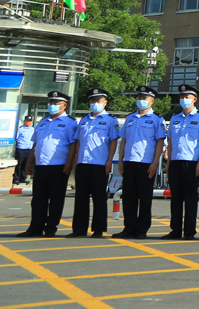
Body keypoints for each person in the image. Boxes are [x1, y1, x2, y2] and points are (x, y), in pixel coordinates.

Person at [16, 92, 77, 237]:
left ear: (64, 105)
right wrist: (30, 163)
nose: (52, 106)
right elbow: (36, 144)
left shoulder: (70, 123)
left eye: (56, 103)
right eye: (51, 103)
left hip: (58, 165)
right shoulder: (43, 122)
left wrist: (69, 163)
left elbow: (73, 144)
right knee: (38, 199)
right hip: (41, 165)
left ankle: (50, 228)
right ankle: (35, 227)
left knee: (56, 199)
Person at [113, 85, 166, 239]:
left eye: (144, 98)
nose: (141, 101)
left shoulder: (156, 119)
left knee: (144, 197)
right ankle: (129, 228)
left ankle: (142, 229)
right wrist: (121, 161)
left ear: (152, 101)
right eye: (139, 98)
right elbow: (124, 140)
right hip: (129, 162)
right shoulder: (130, 118)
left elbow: (160, 142)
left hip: (146, 163)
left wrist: (155, 162)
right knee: (129, 197)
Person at [71, 88, 120, 237]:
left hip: (100, 163)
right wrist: (76, 160)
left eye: (98, 101)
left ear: (105, 102)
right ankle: (79, 229)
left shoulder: (110, 120)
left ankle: (98, 229)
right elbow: (79, 141)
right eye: (92, 101)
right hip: (83, 163)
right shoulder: (84, 120)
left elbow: (113, 141)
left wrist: (110, 160)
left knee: (99, 197)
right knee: (80, 198)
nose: (95, 104)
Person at [164, 85, 199, 239]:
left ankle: (189, 231)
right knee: (175, 197)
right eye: (182, 97)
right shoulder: (175, 118)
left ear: (194, 99)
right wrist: (168, 162)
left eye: (187, 97)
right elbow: (170, 141)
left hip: (191, 161)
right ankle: (175, 230)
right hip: (175, 161)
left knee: (190, 197)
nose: (184, 100)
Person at [13, 116, 34, 186]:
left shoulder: (32, 129)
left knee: (26, 164)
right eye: (27, 121)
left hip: (29, 148)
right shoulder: (20, 129)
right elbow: (16, 138)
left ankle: (23, 178)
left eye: (30, 121)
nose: (28, 123)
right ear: (24, 121)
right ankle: (16, 178)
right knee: (19, 164)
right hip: (21, 148)